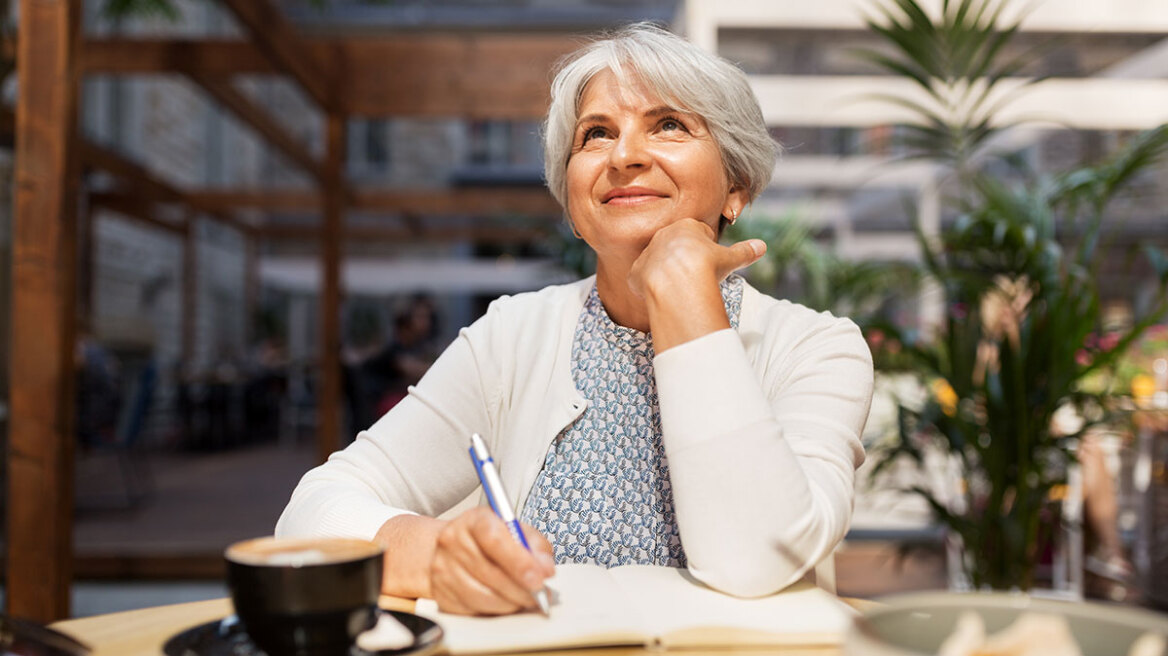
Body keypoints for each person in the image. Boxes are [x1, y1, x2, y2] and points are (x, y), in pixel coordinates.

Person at [276, 23, 874, 616]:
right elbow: (310, 512)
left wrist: (685, 296)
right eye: (596, 134)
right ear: (574, 204)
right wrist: (431, 554)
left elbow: (757, 563)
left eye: (669, 125)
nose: (625, 156)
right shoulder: (510, 337)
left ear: (736, 188)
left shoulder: (817, 349)